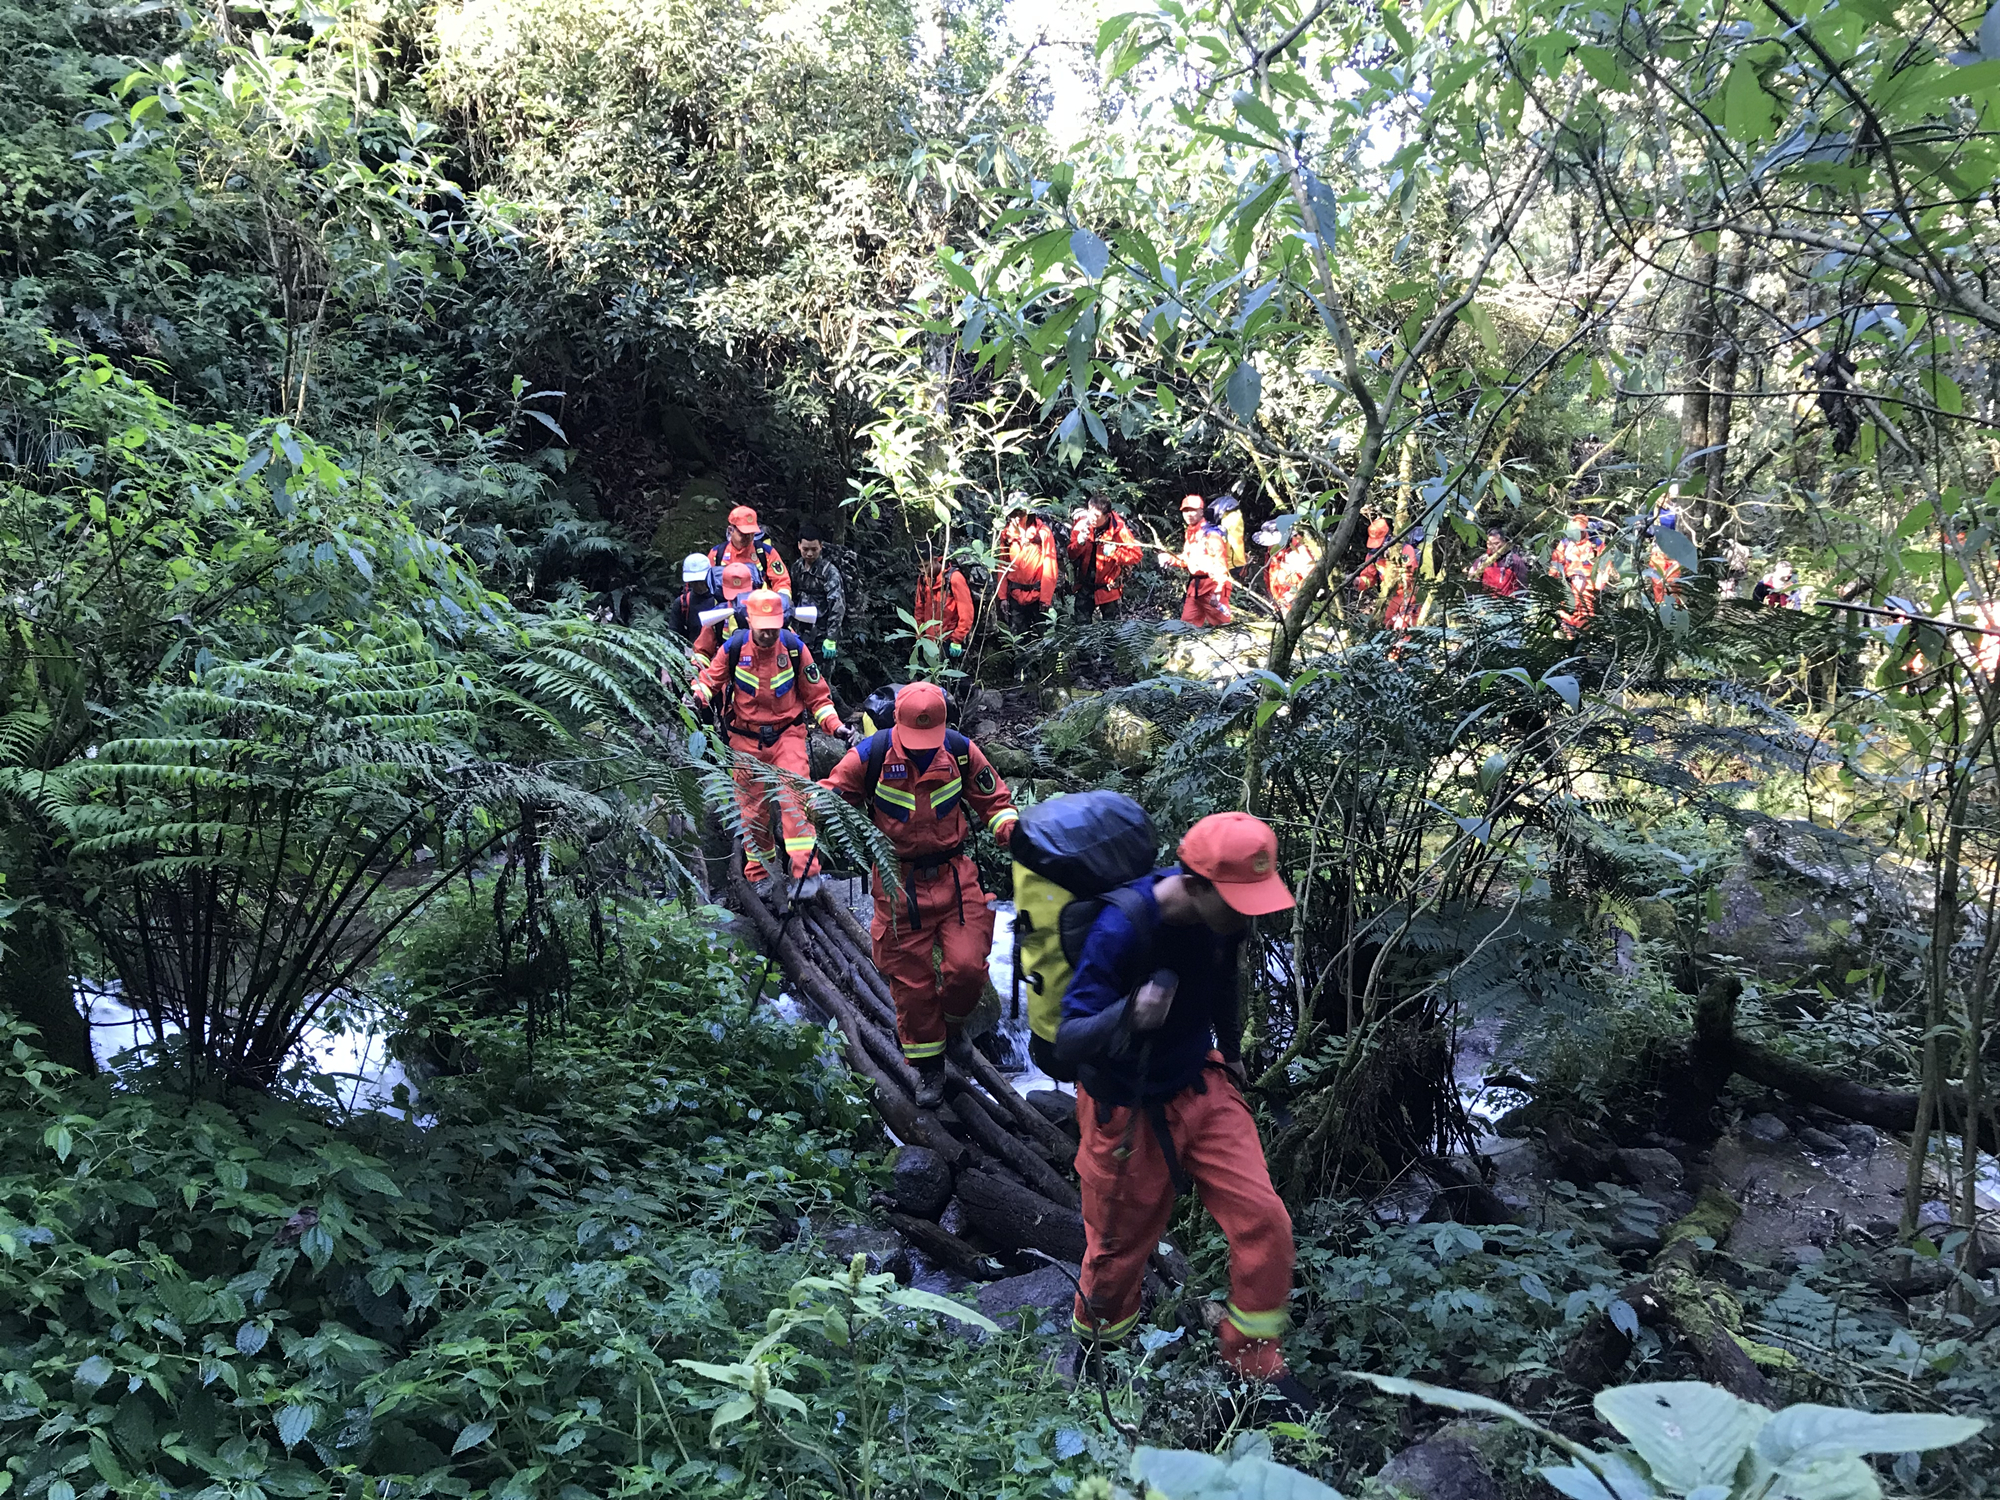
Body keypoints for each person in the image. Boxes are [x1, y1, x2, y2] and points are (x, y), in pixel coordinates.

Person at [1056, 811, 1304, 1397]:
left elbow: (1221, 980)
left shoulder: (1226, 915)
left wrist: (1232, 1048)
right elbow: (1070, 1039)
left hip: (1201, 1084)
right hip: (1126, 1108)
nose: (1250, 911)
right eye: (1239, 899)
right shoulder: (1123, 928)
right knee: (1116, 1255)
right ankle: (1099, 1363)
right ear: (1195, 885)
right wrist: (1129, 1012)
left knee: (1265, 1220)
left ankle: (1252, 1364)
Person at [820, 682, 1019, 1106]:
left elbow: (995, 801)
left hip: (954, 877)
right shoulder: (871, 756)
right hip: (898, 885)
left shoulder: (962, 752)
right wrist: (812, 807)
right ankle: (929, 1069)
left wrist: (1012, 832)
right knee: (911, 987)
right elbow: (832, 796)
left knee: (967, 967)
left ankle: (953, 1026)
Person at [691, 589, 848, 895]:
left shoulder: (793, 648)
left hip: (787, 735)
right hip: (745, 741)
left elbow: (818, 697)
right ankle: (759, 872)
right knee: (752, 810)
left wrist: (836, 726)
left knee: (797, 801)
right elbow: (710, 680)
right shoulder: (734, 648)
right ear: (749, 621)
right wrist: (697, 698)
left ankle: (806, 874)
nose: (767, 633)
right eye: (762, 626)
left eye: (773, 626)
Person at [1161, 492, 1234, 627]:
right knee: (1187, 626)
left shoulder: (1211, 534)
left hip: (1212, 586)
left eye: (1193, 510)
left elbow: (1220, 562)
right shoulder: (1190, 532)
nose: (1189, 514)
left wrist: (1218, 589)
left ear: (1201, 511)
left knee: (1223, 627)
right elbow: (1188, 559)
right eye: (1185, 511)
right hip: (1195, 588)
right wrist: (1170, 559)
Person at [1068, 495, 1143, 621]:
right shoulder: (1082, 525)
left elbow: (1136, 555)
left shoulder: (1119, 530)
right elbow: (1071, 554)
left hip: (1108, 589)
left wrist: (1115, 553)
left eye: (1096, 516)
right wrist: (1079, 543)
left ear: (1107, 515)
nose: (1092, 519)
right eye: (1090, 514)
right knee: (1081, 630)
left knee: (1111, 631)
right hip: (1084, 586)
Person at [996, 496, 1059, 632]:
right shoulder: (1007, 535)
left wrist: (1046, 599)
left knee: (1044, 639)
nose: (1017, 517)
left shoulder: (1043, 533)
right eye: (1014, 513)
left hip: (1038, 597)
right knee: (1019, 640)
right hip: (1015, 596)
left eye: (1021, 512)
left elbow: (1050, 566)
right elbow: (1002, 566)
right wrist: (1002, 597)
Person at [791, 521, 847, 667]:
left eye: (814, 549)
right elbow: (792, 597)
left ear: (821, 546)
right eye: (806, 549)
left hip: (822, 636)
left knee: (821, 682)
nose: (809, 553)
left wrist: (831, 638)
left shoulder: (829, 572)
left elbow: (837, 606)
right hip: (800, 633)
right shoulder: (796, 568)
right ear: (799, 546)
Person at [708, 504, 792, 598]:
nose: (748, 537)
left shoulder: (765, 553)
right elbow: (707, 586)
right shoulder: (717, 554)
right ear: (731, 530)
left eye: (751, 533)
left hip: (760, 606)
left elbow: (782, 581)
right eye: (743, 533)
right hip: (727, 607)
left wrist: (783, 601)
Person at [686, 560, 758, 666]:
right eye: (733, 595)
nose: (737, 599)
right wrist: (697, 667)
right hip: (728, 671)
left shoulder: (767, 610)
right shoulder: (717, 615)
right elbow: (701, 651)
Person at [1550, 515, 1606, 636]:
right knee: (1566, 613)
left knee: (1585, 616)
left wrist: (1599, 585)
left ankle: (1583, 644)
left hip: (1587, 587)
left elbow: (1605, 563)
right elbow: (1556, 562)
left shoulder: (1595, 543)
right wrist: (1551, 582)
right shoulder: (1565, 543)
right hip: (1568, 584)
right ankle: (1570, 641)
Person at [915, 550, 976, 660]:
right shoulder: (923, 580)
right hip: (929, 639)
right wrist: (919, 633)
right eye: (920, 567)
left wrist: (957, 639)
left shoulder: (954, 578)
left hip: (948, 639)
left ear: (936, 559)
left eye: (926, 566)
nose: (923, 571)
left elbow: (966, 612)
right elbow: (919, 607)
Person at [1254, 521, 1322, 618]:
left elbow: (1310, 578)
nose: (1271, 546)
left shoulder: (1299, 552)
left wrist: (1292, 595)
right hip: (1278, 598)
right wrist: (1270, 592)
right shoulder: (1273, 549)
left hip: (1294, 603)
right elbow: (1269, 571)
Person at [1466, 529, 1531, 599]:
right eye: (1489, 544)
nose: (1492, 547)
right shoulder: (1482, 561)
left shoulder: (1514, 561)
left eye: (1496, 543)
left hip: (1508, 604)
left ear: (1504, 543)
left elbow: (1523, 586)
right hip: (1487, 604)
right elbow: (1471, 583)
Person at [1646, 508, 1688, 606]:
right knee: (1658, 583)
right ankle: (1662, 610)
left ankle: (1675, 609)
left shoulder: (1682, 506)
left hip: (1674, 552)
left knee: (1672, 583)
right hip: (1659, 551)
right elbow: (1646, 530)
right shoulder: (1654, 509)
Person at [671, 553, 716, 643]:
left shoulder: (720, 600)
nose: (698, 586)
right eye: (694, 582)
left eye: (701, 581)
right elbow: (674, 637)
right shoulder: (682, 604)